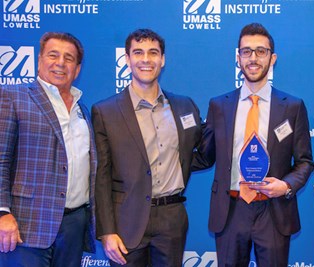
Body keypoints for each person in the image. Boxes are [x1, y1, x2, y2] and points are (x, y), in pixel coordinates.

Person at [197, 23, 314, 266]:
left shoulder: (292, 107)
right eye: (246, 51)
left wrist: (286, 185)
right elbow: (204, 156)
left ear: (273, 58)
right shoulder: (219, 106)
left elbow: (304, 162)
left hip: (274, 211)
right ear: (238, 57)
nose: (253, 58)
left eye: (261, 51)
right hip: (230, 210)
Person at [92, 28, 205, 267]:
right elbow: (101, 177)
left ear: (162, 60)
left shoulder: (185, 106)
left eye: (153, 53)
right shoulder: (105, 112)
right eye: (138, 52)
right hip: (126, 221)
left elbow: (199, 154)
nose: (146, 59)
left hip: (172, 218)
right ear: (127, 59)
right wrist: (106, 231)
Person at [0, 32, 96, 266]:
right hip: (27, 224)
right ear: (40, 59)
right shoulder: (14, 97)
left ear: (78, 68)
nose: (61, 63)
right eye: (53, 55)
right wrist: (2, 213)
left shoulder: (82, 109)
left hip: (74, 223)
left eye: (69, 58)